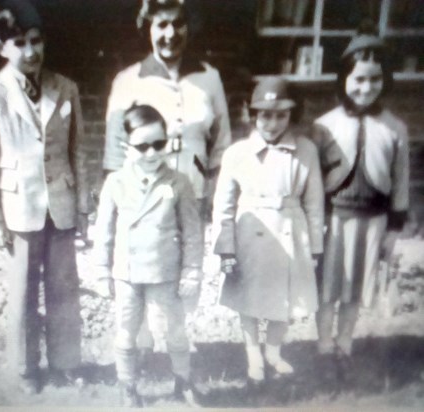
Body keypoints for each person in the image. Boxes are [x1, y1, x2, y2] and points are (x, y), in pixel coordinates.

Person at [0, 0, 90, 393]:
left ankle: (67, 363)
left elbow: (78, 153)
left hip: (62, 203)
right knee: (22, 291)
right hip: (18, 208)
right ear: (0, 47)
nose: (31, 51)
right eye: (19, 43)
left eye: (36, 40)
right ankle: (25, 369)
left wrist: (83, 207)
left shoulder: (65, 87)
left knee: (64, 289)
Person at [104, 0, 231, 363]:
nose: (170, 34)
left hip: (191, 190)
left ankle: (178, 346)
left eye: (178, 24)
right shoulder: (129, 81)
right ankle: (140, 347)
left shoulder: (209, 77)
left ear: (188, 27)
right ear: (147, 26)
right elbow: (115, 151)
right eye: (161, 25)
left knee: (183, 267)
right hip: (143, 198)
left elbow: (220, 143)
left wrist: (213, 195)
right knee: (144, 265)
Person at [312, 28, 410, 379]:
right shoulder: (324, 126)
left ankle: (344, 345)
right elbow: (312, 180)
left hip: (374, 222)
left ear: (385, 81)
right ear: (344, 79)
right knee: (328, 288)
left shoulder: (395, 128)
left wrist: (394, 229)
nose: (366, 88)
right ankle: (323, 346)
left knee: (355, 288)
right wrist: (314, 223)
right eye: (358, 79)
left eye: (374, 80)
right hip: (334, 220)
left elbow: (400, 181)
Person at [212, 77, 324, 384]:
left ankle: (273, 351)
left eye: (281, 115)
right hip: (251, 229)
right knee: (248, 297)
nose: (273, 124)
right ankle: (253, 354)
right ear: (252, 115)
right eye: (265, 115)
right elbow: (222, 205)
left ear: (292, 115)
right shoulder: (237, 153)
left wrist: (315, 247)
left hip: (290, 230)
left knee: (284, 297)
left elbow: (314, 203)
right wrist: (226, 248)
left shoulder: (306, 151)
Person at [92, 104, 204, 407]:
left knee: (175, 331)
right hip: (128, 273)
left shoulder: (179, 182)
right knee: (126, 332)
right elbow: (103, 232)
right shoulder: (115, 183)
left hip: (165, 272)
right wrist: (102, 271)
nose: (152, 154)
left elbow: (193, 233)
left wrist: (192, 271)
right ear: (126, 146)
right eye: (142, 146)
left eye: (159, 144)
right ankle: (127, 387)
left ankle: (183, 382)